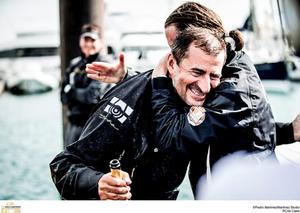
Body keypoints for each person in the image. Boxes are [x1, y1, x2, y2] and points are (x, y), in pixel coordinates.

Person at [85, 2, 300, 196]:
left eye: (177, 45)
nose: (174, 54)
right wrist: (129, 76)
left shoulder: (233, 88)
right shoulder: (226, 70)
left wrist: (159, 81)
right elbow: (237, 129)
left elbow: (172, 139)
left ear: (202, 38)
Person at [61, 24, 114, 146]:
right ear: (80, 41)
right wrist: (74, 93)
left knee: (90, 163)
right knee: (69, 161)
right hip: (73, 124)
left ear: (100, 43)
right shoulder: (74, 64)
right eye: (86, 40)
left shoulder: (104, 64)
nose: (89, 44)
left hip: (94, 125)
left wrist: (71, 91)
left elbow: (92, 96)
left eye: (93, 40)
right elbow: (63, 96)